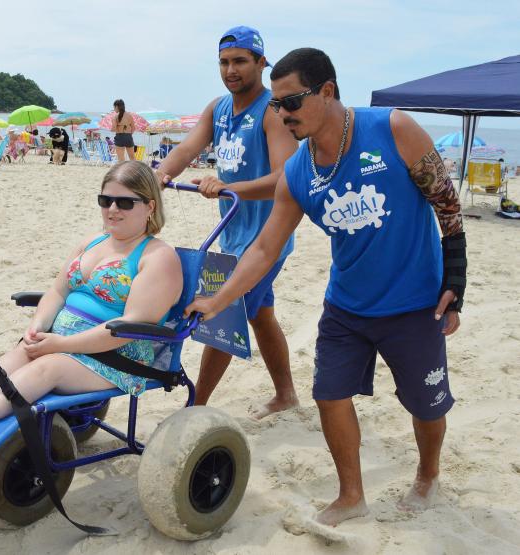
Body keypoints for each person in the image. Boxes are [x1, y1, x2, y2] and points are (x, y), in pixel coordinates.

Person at [185, 48, 466, 527]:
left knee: (424, 403)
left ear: (327, 92)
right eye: (275, 105)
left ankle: (427, 474)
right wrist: (218, 300)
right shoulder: (297, 172)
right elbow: (264, 248)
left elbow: (446, 201)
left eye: (290, 102)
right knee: (329, 395)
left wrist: (455, 279)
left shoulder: (393, 128)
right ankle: (351, 495)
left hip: (414, 303)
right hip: (346, 305)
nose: (281, 114)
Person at [0, 161, 182, 444]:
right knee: (26, 349)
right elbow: (58, 290)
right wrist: (37, 327)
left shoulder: (158, 257)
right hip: (65, 342)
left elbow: (130, 326)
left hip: (118, 357)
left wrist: (61, 345)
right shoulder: (95, 241)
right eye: (105, 200)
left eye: (125, 202)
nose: (112, 209)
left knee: (48, 366)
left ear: (150, 207)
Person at [155, 25, 300, 417]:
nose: (231, 69)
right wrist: (158, 176)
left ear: (260, 63)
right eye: (224, 62)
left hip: (268, 238)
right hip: (234, 234)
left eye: (240, 61)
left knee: (223, 311)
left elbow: (285, 179)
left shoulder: (272, 111)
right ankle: (286, 395)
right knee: (260, 314)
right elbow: (186, 148)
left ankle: (195, 406)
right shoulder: (218, 108)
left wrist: (227, 186)